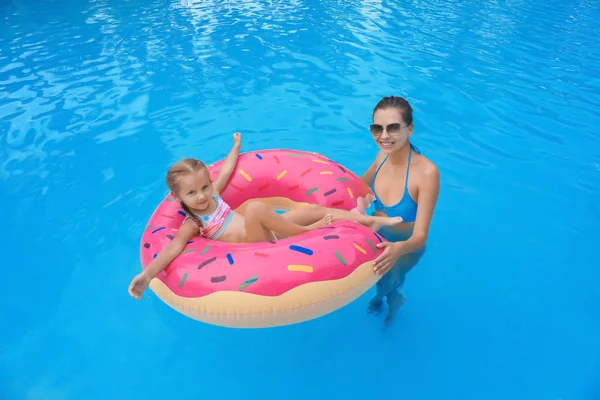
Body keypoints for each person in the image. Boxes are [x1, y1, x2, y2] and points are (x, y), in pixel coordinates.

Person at [128, 132, 403, 300]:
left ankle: (370, 221)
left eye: (204, 187)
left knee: (311, 209)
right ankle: (312, 231)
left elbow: (224, 172)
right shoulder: (193, 222)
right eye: (192, 193)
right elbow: (175, 246)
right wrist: (147, 275)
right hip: (256, 246)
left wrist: (235, 147)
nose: (201, 196)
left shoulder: (215, 196)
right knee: (256, 209)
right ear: (177, 198)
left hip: (274, 233)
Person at [360, 96, 440, 327]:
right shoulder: (381, 156)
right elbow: (357, 187)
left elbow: (420, 237)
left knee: (388, 284)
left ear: (410, 129)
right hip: (376, 237)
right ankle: (382, 295)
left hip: (404, 246)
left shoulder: (426, 173)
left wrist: (398, 250)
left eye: (393, 127)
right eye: (377, 128)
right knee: (377, 280)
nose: (384, 136)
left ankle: (395, 301)